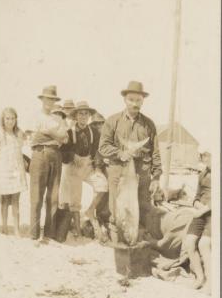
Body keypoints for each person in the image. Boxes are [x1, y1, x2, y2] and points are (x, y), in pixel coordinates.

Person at [99, 80, 162, 243]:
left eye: (138, 100)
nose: (135, 103)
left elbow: (155, 152)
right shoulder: (112, 121)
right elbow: (103, 147)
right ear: (125, 100)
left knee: (142, 207)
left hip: (142, 174)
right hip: (118, 172)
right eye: (131, 99)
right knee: (117, 209)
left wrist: (156, 177)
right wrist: (121, 153)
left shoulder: (149, 124)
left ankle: (138, 240)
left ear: (143, 101)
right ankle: (118, 242)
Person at [61, 101, 108, 237]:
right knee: (75, 199)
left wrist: (97, 167)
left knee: (102, 185)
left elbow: (98, 151)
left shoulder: (93, 132)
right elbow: (62, 152)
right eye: (80, 114)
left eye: (86, 114)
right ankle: (77, 229)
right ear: (75, 116)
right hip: (73, 168)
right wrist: (71, 156)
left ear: (89, 116)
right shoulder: (69, 132)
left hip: (88, 166)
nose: (83, 116)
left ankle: (90, 210)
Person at [29, 86, 68, 243]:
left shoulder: (58, 119)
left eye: (52, 99)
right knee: (36, 196)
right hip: (39, 154)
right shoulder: (35, 116)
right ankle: (34, 234)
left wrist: (49, 133)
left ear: (54, 101)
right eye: (46, 98)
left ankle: (49, 234)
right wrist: (55, 135)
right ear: (42, 100)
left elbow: (65, 139)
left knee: (53, 196)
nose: (49, 102)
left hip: (56, 156)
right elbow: (35, 139)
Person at [183, 146, 211, 294]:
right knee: (189, 242)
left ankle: (211, 282)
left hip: (214, 214)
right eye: (202, 156)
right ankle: (199, 278)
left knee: (204, 244)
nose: (204, 158)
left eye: (207, 155)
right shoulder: (203, 173)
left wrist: (203, 210)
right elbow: (196, 197)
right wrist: (197, 205)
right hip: (202, 212)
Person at [0, 107, 27, 237]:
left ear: (16, 120)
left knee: (15, 201)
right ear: (3, 120)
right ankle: (4, 226)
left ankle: (16, 229)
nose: (10, 121)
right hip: (4, 171)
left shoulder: (19, 134)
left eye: (12, 118)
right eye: (7, 118)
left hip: (16, 171)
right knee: (4, 200)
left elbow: (21, 150)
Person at [57, 100, 76, 210]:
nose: (69, 111)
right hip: (64, 158)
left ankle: (70, 212)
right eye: (66, 108)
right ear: (63, 110)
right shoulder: (62, 121)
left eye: (71, 109)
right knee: (63, 186)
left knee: (72, 187)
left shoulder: (76, 121)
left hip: (74, 157)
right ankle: (63, 210)